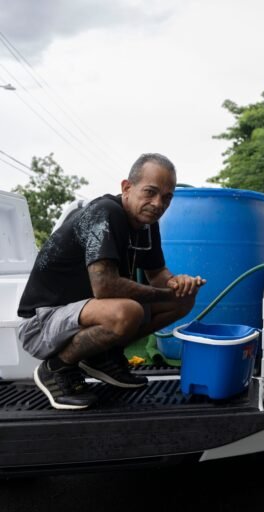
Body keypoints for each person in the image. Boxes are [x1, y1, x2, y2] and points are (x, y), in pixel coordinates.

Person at [16, 153, 206, 410]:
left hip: (84, 316)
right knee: (127, 311)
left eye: (167, 197)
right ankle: (56, 368)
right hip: (41, 323)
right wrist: (163, 294)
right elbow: (104, 287)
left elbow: (158, 273)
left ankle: (101, 356)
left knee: (182, 300)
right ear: (126, 187)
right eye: (150, 192)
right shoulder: (105, 213)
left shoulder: (147, 225)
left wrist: (177, 284)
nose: (158, 203)